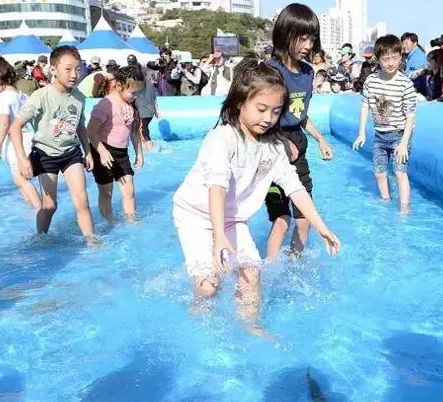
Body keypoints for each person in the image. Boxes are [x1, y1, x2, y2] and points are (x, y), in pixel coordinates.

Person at [172, 59, 341, 336]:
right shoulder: (222, 139)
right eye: (261, 109)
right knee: (209, 285)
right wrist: (219, 236)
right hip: (196, 215)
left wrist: (322, 228)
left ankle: (250, 326)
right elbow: (217, 187)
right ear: (240, 103)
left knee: (252, 273)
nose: (268, 118)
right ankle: (197, 321)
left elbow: (295, 188)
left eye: (275, 112)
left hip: (231, 218)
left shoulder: (273, 147)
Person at [265, 3, 334, 260]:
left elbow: (300, 114)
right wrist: (280, 140)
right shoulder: (270, 71)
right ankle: (270, 271)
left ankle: (295, 266)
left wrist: (319, 139)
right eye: (302, 37)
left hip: (298, 150)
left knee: (303, 218)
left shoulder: (307, 72)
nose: (308, 44)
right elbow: (259, 119)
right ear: (285, 34)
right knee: (281, 219)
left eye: (312, 38)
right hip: (271, 149)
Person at [8, 46, 97, 245]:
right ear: (54, 69)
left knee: (82, 201)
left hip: (71, 153)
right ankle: (41, 237)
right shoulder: (41, 96)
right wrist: (22, 159)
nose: (74, 75)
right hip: (45, 154)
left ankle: (91, 242)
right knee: (50, 205)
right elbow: (15, 127)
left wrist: (88, 151)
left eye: (78, 69)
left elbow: (80, 125)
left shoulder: (79, 97)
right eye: (68, 69)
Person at [353, 34, 418, 215]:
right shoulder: (371, 81)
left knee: (399, 172)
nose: (391, 63)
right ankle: (386, 200)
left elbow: (411, 116)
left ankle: (404, 209)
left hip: (399, 134)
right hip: (380, 135)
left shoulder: (405, 83)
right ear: (378, 58)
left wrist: (404, 143)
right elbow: (365, 105)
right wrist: (361, 133)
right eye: (386, 59)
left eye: (395, 58)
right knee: (379, 172)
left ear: (400, 57)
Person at [87, 66, 145, 224]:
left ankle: (132, 221)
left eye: (138, 93)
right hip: (102, 150)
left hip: (121, 153)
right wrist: (102, 151)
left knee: (129, 190)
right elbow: (90, 131)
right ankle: (111, 221)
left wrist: (139, 153)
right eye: (133, 93)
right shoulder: (106, 104)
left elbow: (133, 131)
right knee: (107, 192)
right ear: (119, 86)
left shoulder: (131, 104)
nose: (136, 96)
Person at [0, 57, 40, 211]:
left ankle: (39, 209)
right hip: (26, 139)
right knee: (19, 179)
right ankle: (30, 209)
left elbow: (5, 124)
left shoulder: (3, 98)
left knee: (21, 179)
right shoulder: (22, 96)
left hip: (14, 143)